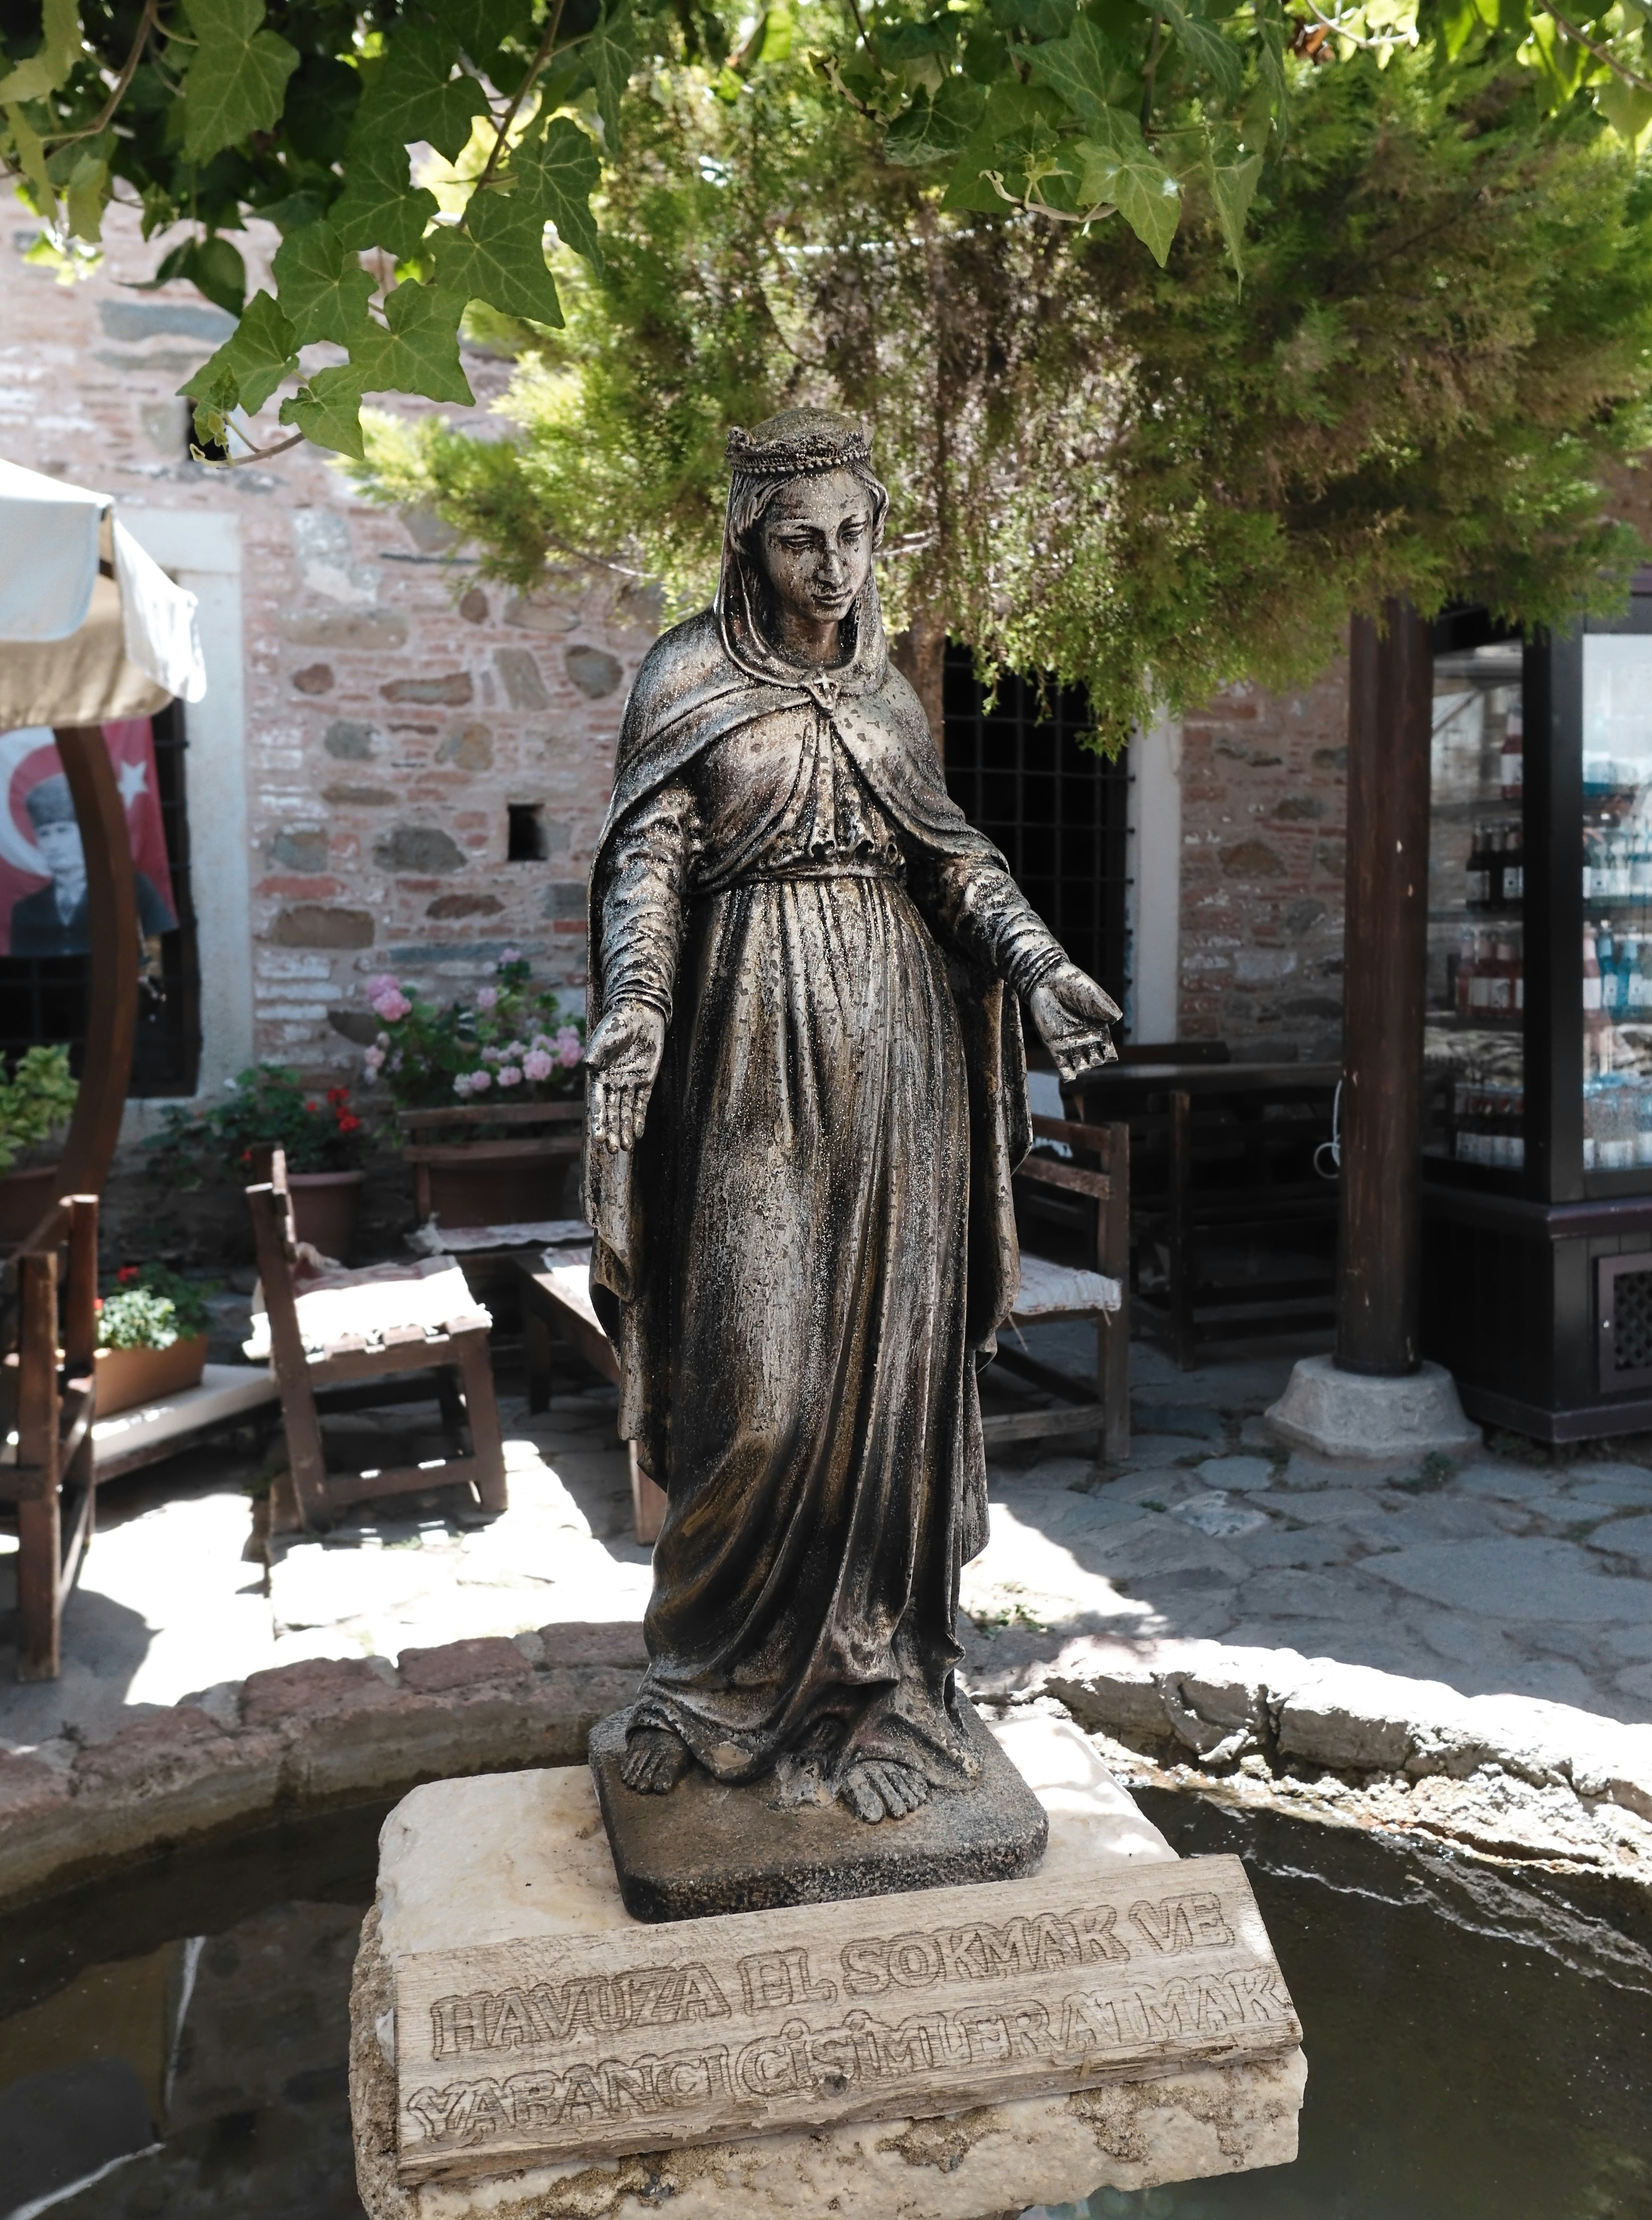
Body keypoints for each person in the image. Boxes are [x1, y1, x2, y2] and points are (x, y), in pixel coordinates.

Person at [585, 408, 1119, 1826]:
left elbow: (952, 863)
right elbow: (648, 856)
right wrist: (636, 1004)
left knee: (885, 1390)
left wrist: (1040, 963)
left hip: (895, 1071)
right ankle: (704, 1681)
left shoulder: (889, 701)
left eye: (851, 533)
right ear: (747, 544)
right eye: (797, 537)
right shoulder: (686, 675)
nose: (831, 564)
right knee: (753, 1395)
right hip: (749, 1049)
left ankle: (882, 1697)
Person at [8, 773, 176, 958]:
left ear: (88, 833)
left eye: (63, 831)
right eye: (44, 834)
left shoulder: (132, 888)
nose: (53, 844)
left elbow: (155, 952)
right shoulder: (27, 909)